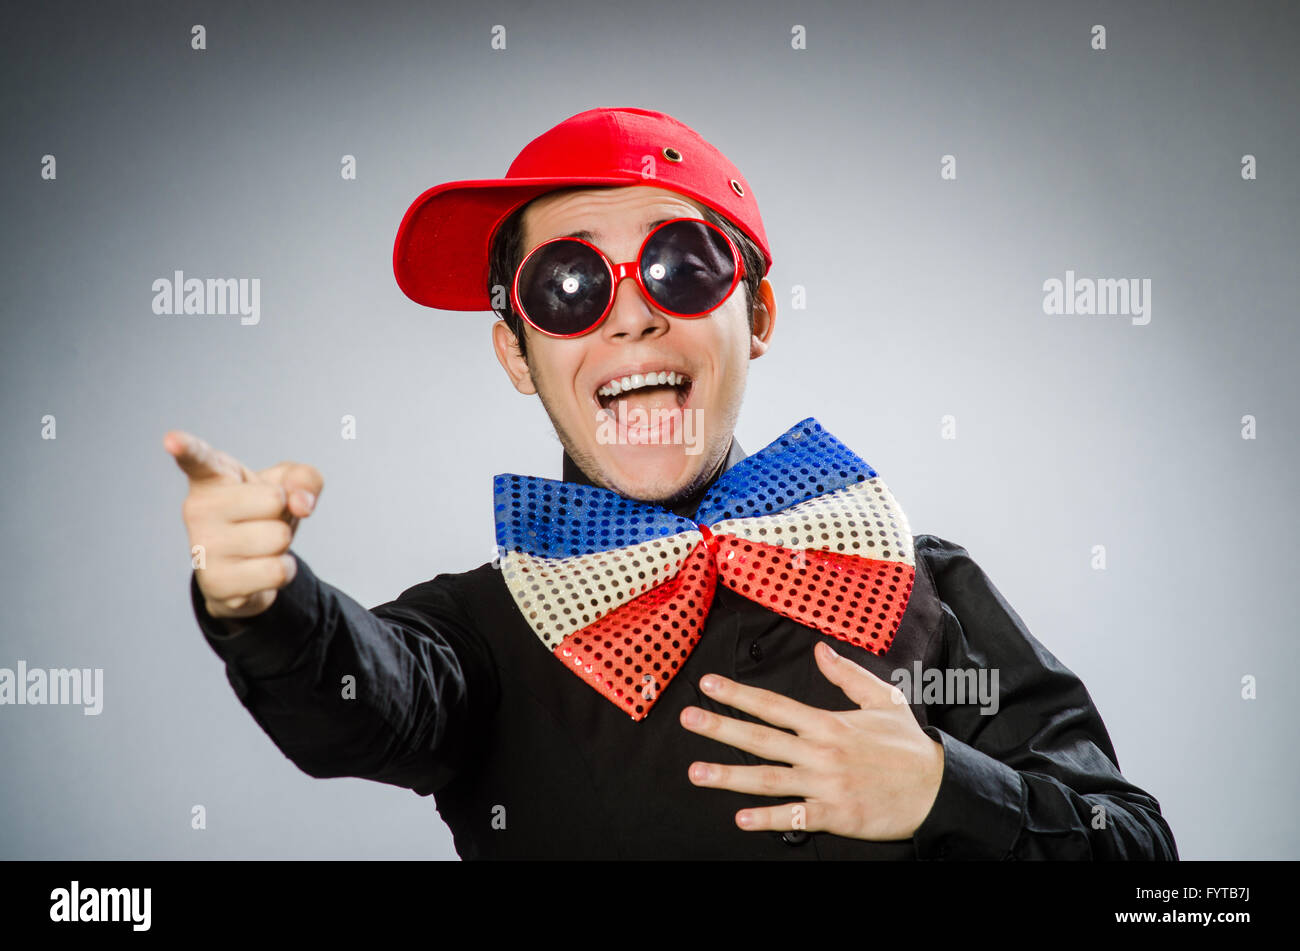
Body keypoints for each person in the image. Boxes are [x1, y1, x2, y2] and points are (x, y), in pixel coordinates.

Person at [165, 107, 1177, 860]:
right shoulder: (474, 633)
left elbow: (1143, 862)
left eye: (681, 267)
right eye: (567, 286)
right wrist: (266, 607)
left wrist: (942, 791)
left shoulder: (921, 582)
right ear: (516, 355)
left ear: (759, 316)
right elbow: (362, 701)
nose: (631, 316)